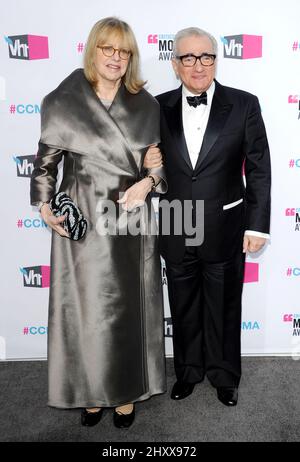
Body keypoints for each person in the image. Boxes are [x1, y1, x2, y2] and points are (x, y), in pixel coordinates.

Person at [30, 17, 167, 428]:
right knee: (85, 310)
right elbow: (45, 165)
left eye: (124, 52)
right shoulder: (63, 100)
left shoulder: (147, 104)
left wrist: (149, 180)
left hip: (129, 218)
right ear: (93, 50)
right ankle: (89, 391)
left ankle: (124, 394)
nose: (116, 58)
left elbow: (159, 169)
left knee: (125, 310)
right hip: (84, 218)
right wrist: (43, 205)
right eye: (109, 48)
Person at [155, 27, 271, 406]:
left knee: (223, 304)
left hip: (225, 223)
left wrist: (257, 225)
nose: (197, 65)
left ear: (216, 60)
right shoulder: (156, 107)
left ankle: (224, 376)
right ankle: (188, 372)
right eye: (187, 58)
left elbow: (258, 169)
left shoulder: (244, 104)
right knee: (183, 302)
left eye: (205, 56)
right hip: (174, 221)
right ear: (175, 64)